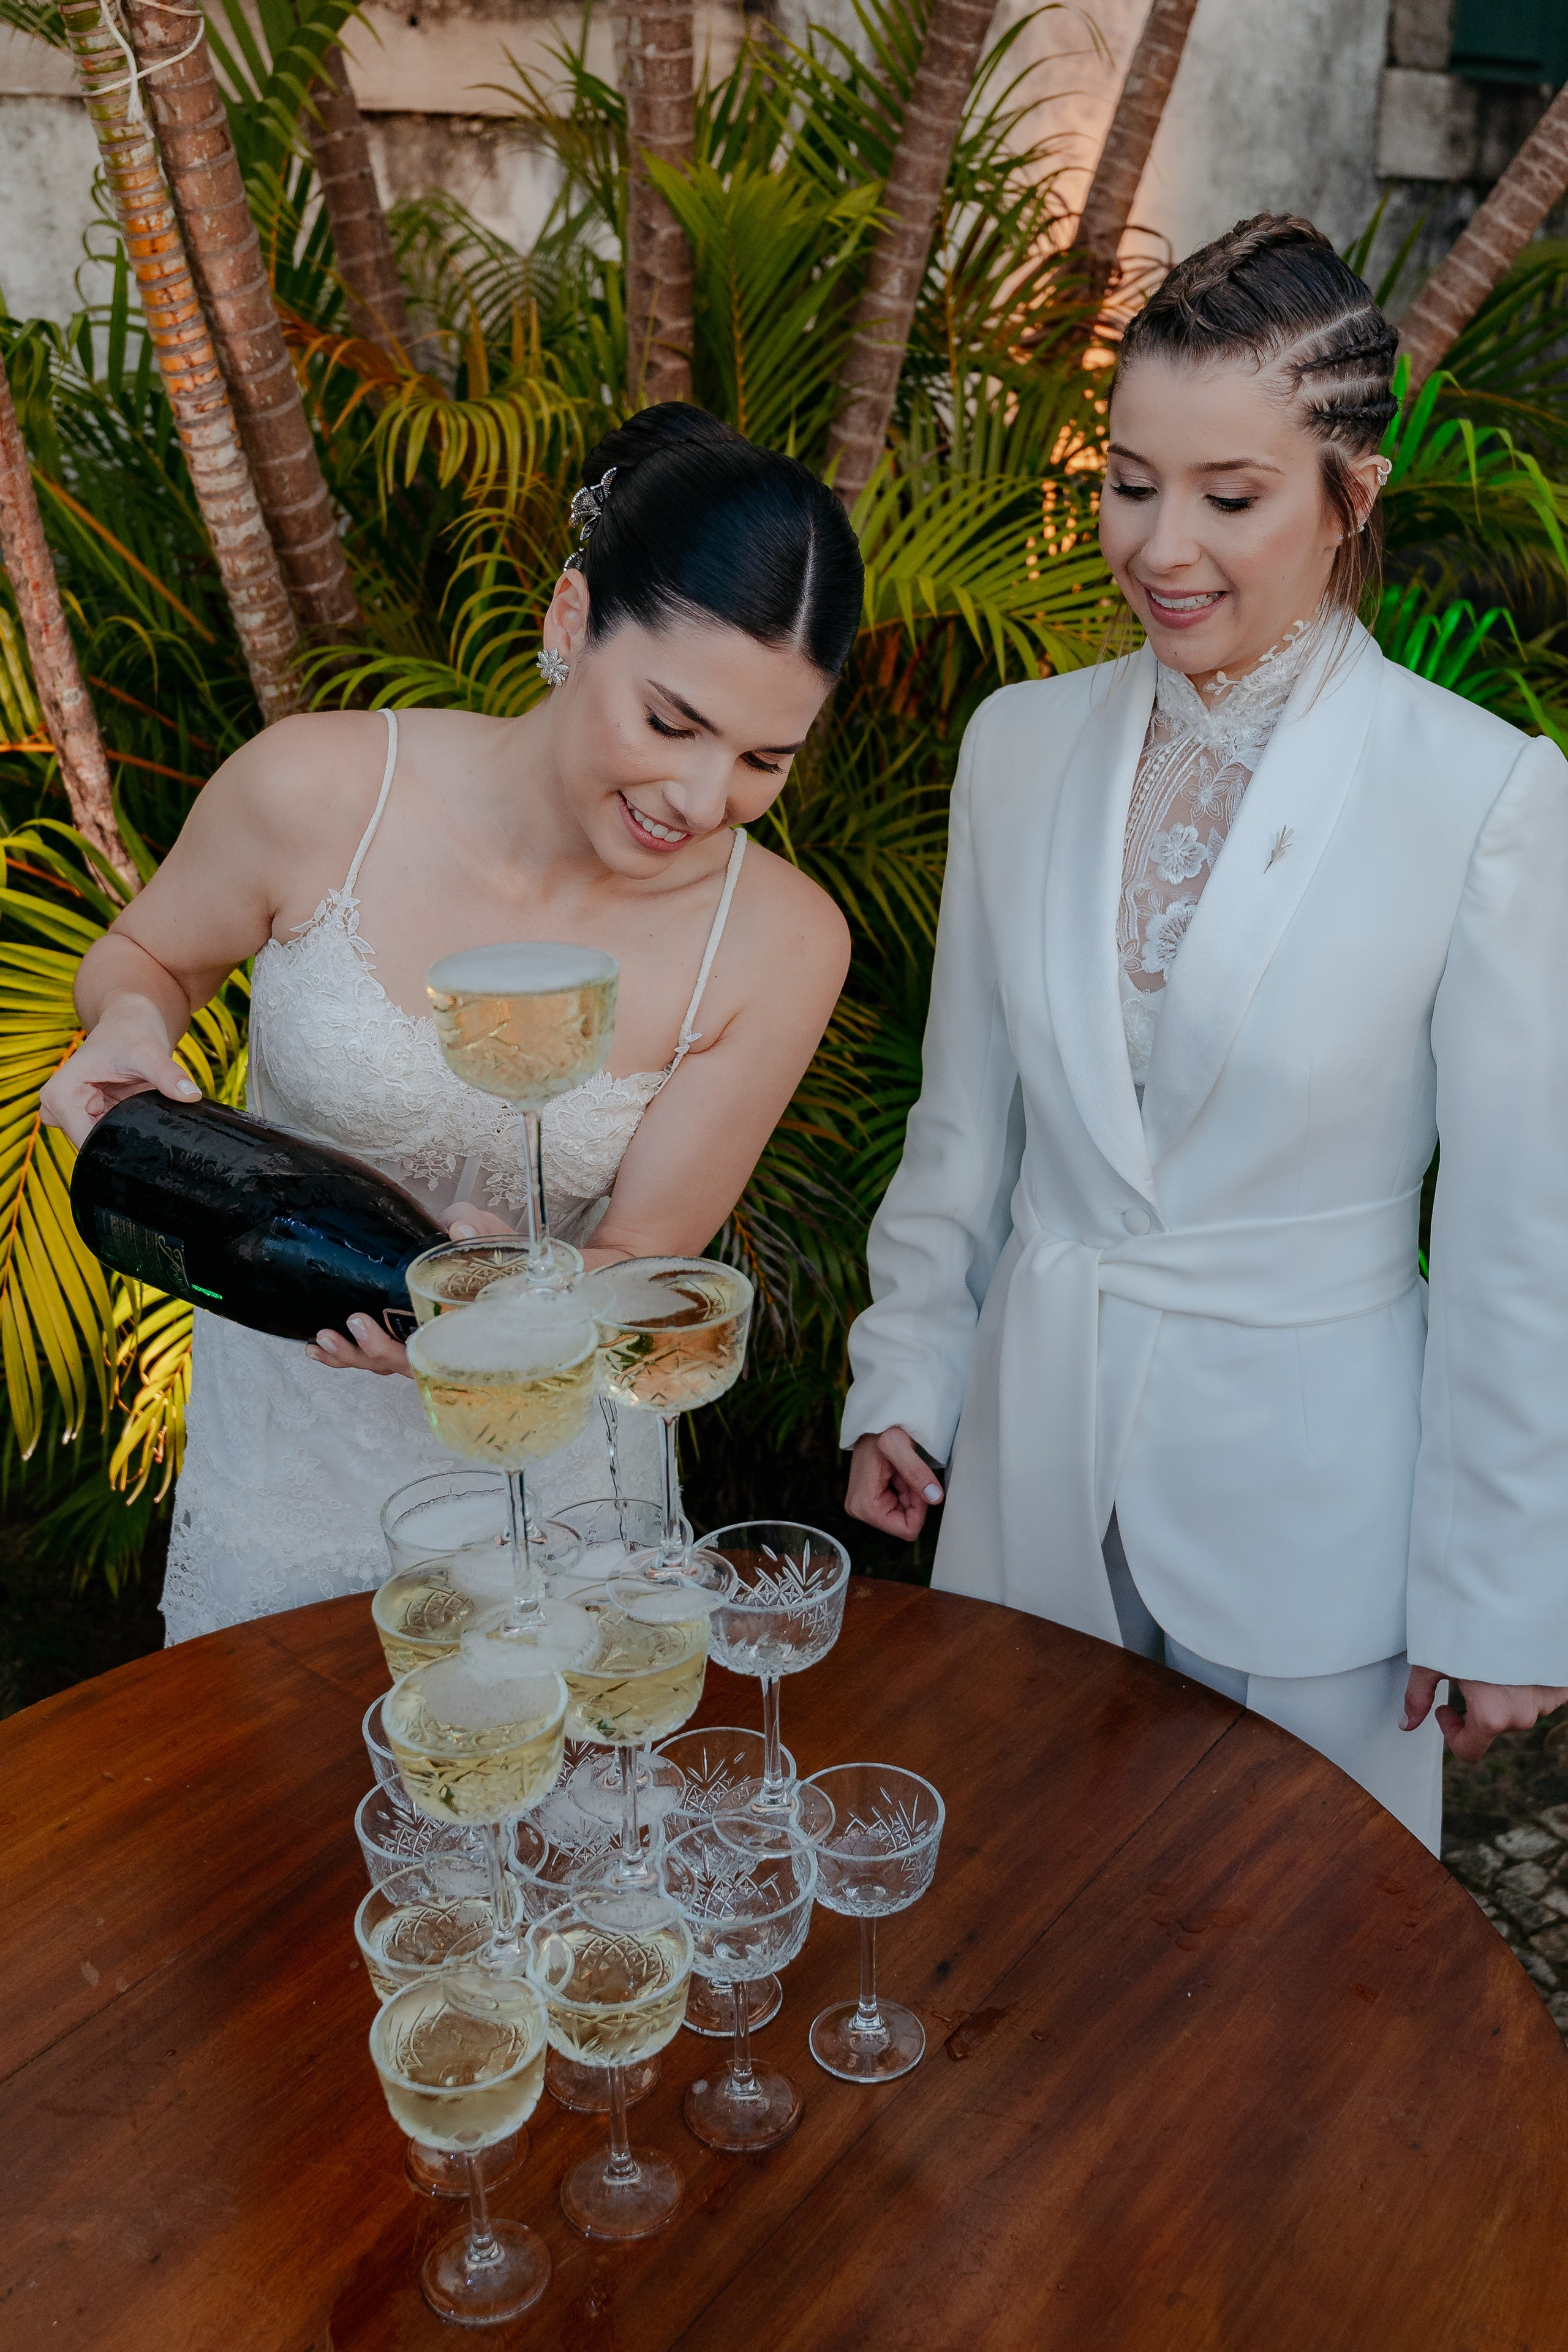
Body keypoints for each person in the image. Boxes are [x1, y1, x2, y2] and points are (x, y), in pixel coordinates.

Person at [842, 215, 1568, 1853]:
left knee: (1292, 1993)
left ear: (1347, 499)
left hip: (1317, 1516)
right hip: (1029, 1471)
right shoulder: (1016, 748)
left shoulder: (1487, 796)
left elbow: (1526, 1232)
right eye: (1130, 481)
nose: (1164, 546)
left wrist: (1505, 1587)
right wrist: (908, 1372)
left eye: (1230, 497)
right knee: (1016, 1954)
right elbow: (964, 1122)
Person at [43, 404, 861, 1643]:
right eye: (672, 724)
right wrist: (123, 1026)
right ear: (571, 620)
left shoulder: (781, 941)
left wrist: (532, 1296)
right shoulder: (316, 790)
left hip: (558, 1509)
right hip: (287, 1479)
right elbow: (149, 958)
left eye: (764, 760)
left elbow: (642, 1252)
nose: (703, 801)